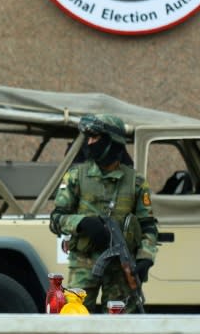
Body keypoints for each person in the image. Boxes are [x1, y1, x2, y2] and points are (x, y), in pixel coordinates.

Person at [49, 113, 158, 313]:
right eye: (88, 138)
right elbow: (56, 219)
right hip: (83, 264)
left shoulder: (135, 182)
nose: (89, 143)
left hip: (121, 271)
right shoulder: (76, 177)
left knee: (119, 323)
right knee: (74, 321)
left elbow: (148, 226)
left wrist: (145, 258)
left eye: (95, 138)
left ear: (111, 141)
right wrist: (83, 223)